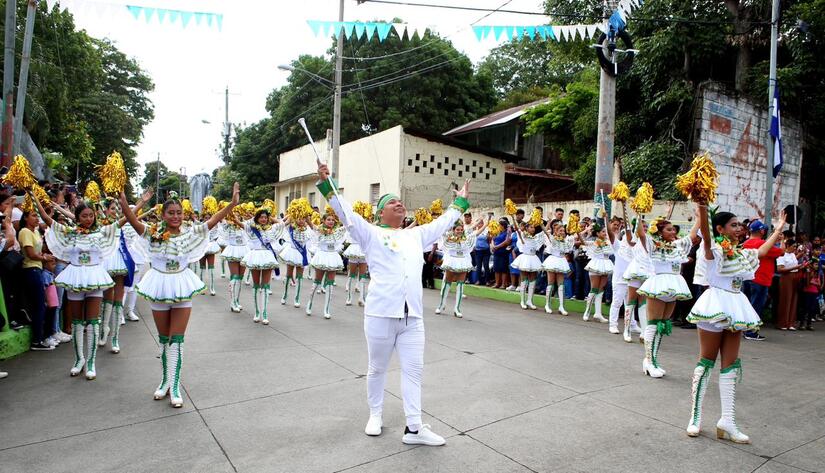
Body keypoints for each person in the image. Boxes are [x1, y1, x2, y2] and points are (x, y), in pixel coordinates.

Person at [317, 162, 470, 447]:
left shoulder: (416, 234)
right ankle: (375, 415)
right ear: (380, 213)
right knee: (377, 368)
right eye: (392, 203)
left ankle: (414, 428)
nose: (400, 205)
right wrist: (327, 184)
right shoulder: (370, 233)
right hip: (380, 315)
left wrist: (459, 201)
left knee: (414, 371)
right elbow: (344, 212)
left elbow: (442, 223)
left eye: (401, 202)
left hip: (413, 319)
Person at [119, 184, 239, 408]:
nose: (175, 216)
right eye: (171, 213)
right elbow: (133, 222)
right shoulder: (153, 234)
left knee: (177, 338)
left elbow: (212, 221)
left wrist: (232, 205)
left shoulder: (189, 234)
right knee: (163, 339)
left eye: (179, 213)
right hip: (159, 286)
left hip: (182, 286)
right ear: (163, 215)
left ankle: (175, 386)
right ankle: (165, 380)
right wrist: (126, 203)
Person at [685, 206, 785, 443]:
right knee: (706, 361)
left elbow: (760, 252)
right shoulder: (715, 250)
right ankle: (695, 417)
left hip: (736, 306)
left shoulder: (740, 253)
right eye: (733, 225)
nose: (739, 228)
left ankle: (727, 420)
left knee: (730, 365)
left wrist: (778, 229)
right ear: (720, 228)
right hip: (715, 304)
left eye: (740, 225)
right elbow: (707, 241)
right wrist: (702, 204)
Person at [35, 190, 150, 379]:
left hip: (95, 278)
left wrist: (141, 203)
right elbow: (48, 221)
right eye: (84, 216)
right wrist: (33, 196)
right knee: (78, 321)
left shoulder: (101, 232)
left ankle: (91, 362)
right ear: (77, 217)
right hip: (75, 278)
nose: (88, 219)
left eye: (91, 215)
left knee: (93, 321)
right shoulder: (70, 233)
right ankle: (79, 359)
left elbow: (124, 220)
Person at [636, 216, 700, 378]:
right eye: (669, 229)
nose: (673, 232)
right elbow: (642, 235)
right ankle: (649, 362)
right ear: (659, 232)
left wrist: (701, 212)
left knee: (663, 325)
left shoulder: (678, 246)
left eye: (673, 229)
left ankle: (652, 360)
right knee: (653, 324)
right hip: (659, 284)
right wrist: (639, 213)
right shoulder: (653, 245)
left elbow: (692, 236)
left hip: (674, 286)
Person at [99, 198, 136, 354]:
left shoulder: (120, 224)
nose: (115, 211)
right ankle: (104, 330)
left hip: (119, 261)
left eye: (117, 209)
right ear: (105, 210)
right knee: (107, 298)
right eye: (112, 208)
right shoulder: (101, 225)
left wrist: (141, 203)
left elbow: (130, 216)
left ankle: (115, 338)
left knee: (118, 300)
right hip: (106, 261)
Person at [19, 209, 57, 351]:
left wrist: (44, 256)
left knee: (45, 304)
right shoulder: (25, 232)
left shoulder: (35, 232)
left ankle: (44, 336)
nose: (36, 218)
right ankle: (37, 340)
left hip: (38, 269)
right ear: (25, 217)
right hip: (30, 269)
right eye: (33, 216)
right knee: (39, 305)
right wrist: (44, 258)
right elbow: (30, 254)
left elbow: (38, 252)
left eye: (37, 216)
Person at [741, 220, 783, 340]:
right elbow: (782, 252)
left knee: (748, 305)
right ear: (762, 231)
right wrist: (782, 240)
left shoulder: (745, 243)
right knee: (756, 306)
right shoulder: (763, 244)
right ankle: (751, 332)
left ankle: (745, 329)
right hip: (761, 279)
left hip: (747, 278)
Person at [241, 208, 284, 324]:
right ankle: (257, 312)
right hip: (255, 256)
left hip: (267, 256)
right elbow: (241, 224)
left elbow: (281, 223)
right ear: (257, 218)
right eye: (261, 217)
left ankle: (264, 313)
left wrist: (271, 218)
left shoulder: (272, 229)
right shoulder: (252, 229)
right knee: (256, 285)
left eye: (265, 217)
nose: (264, 219)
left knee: (265, 286)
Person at [437, 219, 484, 317]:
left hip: (463, 261)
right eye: (457, 229)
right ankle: (441, 304)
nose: (459, 231)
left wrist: (486, 223)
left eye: (461, 229)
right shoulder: (449, 237)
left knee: (460, 285)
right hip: (452, 260)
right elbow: (441, 231)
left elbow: (476, 233)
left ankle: (457, 308)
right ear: (453, 230)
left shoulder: (466, 237)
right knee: (447, 282)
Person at [306, 212, 345, 319]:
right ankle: (310, 303)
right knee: (317, 281)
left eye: (332, 220)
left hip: (333, 257)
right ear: (323, 221)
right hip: (322, 256)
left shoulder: (337, 231)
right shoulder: (319, 230)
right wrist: (306, 216)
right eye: (328, 219)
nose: (331, 221)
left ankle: (326, 309)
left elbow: (348, 226)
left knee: (330, 284)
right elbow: (311, 225)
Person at [578, 219, 615, 323]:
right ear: (598, 233)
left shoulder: (608, 242)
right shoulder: (594, 242)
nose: (605, 233)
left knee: (601, 289)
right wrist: (579, 231)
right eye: (603, 231)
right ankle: (587, 312)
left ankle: (598, 313)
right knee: (594, 289)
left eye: (605, 231)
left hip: (606, 265)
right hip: (596, 264)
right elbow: (582, 241)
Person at [511, 221, 545, 310]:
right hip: (525, 258)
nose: (533, 229)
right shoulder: (523, 236)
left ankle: (530, 300)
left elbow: (543, 232)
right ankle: (522, 300)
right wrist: (513, 217)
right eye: (530, 227)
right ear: (526, 229)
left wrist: (546, 222)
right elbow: (518, 230)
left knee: (533, 280)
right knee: (524, 279)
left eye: (533, 227)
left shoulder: (536, 238)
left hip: (533, 258)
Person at [279, 217, 312, 308]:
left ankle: (297, 298)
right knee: (288, 275)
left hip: (302, 254)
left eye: (303, 219)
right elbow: (281, 224)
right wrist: (290, 216)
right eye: (299, 218)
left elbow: (314, 230)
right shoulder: (290, 227)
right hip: (292, 252)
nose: (301, 220)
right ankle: (285, 295)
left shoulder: (308, 230)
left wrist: (308, 220)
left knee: (299, 277)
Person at [541, 221, 573, 315]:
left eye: (563, 231)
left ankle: (561, 306)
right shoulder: (553, 239)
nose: (562, 232)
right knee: (550, 283)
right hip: (552, 261)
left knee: (561, 285)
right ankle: (547, 305)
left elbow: (569, 247)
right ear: (556, 231)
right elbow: (545, 232)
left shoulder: (566, 241)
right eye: (560, 230)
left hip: (562, 261)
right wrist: (543, 222)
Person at [219, 213, 249, 313]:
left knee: (240, 277)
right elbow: (222, 233)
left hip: (243, 251)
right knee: (235, 277)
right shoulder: (228, 226)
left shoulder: (244, 225)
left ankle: (237, 300)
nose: (236, 216)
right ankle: (232, 302)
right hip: (232, 251)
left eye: (238, 214)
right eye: (234, 214)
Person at [343, 205, 370, 306]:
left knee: (362, 276)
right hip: (354, 249)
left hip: (363, 250)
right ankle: (349, 298)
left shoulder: (367, 225)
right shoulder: (351, 224)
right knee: (352, 274)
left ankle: (361, 298)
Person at [776, 239, 804, 330]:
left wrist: (800, 266)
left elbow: (795, 263)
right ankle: (782, 323)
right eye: (793, 246)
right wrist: (795, 267)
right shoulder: (781, 256)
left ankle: (791, 323)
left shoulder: (792, 255)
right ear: (788, 245)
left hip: (795, 276)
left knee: (793, 299)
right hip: (786, 277)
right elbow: (780, 269)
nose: (795, 248)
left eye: (796, 246)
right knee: (786, 299)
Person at [491, 219, 512, 289]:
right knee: (496, 268)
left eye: (499, 225)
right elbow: (493, 239)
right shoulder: (497, 232)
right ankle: (497, 283)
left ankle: (503, 284)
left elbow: (507, 241)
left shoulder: (507, 232)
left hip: (503, 252)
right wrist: (493, 246)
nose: (498, 226)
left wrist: (497, 246)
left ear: (503, 226)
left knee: (503, 269)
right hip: (496, 252)